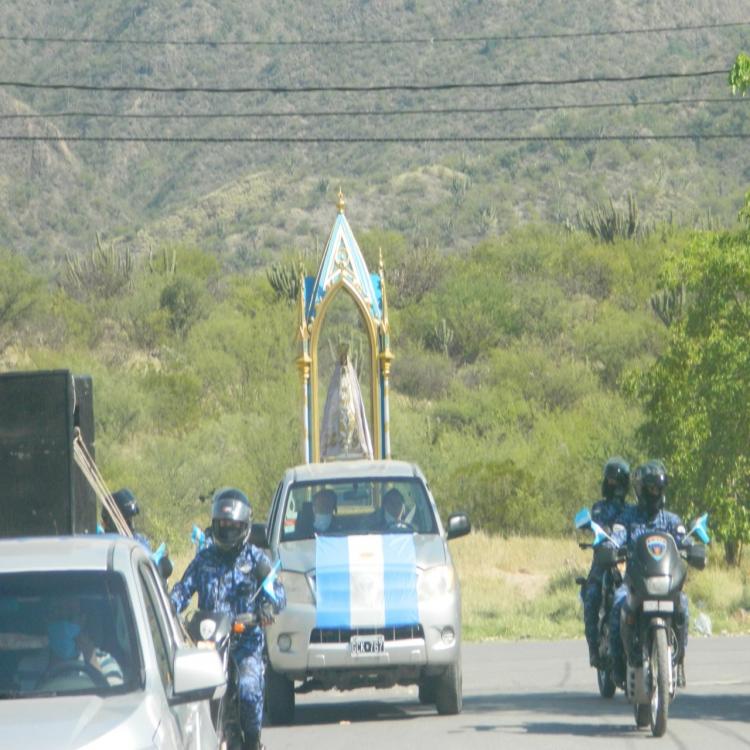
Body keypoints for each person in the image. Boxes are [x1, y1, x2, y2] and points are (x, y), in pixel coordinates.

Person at [170, 488, 286, 750]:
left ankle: (254, 741)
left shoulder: (256, 559)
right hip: (208, 645)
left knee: (248, 688)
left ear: (244, 526)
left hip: (246, 643)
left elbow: (278, 592)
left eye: (233, 525)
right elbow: (182, 589)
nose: (227, 529)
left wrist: (267, 606)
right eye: (223, 524)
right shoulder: (204, 559)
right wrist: (166, 606)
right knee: (188, 696)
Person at [608, 460, 690, 687]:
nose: (657, 493)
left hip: (666, 582)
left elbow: (685, 539)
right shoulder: (628, 517)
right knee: (617, 604)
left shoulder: (671, 520)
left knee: (683, 604)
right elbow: (617, 535)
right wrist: (611, 547)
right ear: (642, 490)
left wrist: (692, 547)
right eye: (652, 489)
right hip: (634, 581)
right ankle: (618, 665)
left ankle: (679, 660)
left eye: (660, 489)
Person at [581, 457, 630, 668]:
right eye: (610, 481)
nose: (613, 486)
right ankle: (593, 648)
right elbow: (598, 525)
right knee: (591, 595)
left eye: (617, 482)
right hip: (603, 561)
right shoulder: (599, 508)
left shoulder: (631, 510)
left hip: (626, 561)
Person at [16, 595, 124, 690]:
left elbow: (113, 703)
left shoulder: (105, 662)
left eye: (70, 617)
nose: (63, 626)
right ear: (46, 620)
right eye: (58, 617)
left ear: (82, 621)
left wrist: (91, 660)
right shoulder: (27, 666)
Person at [102, 488, 173, 580]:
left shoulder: (139, 543)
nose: (132, 526)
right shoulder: (101, 548)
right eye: (127, 521)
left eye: (131, 520)